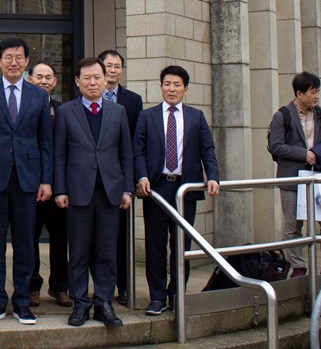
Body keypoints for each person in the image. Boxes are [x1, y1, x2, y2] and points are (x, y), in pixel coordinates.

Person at [0, 37, 52, 325]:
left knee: (25, 244)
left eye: (19, 57)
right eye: (8, 57)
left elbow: (45, 141)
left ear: (27, 62)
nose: (13, 62)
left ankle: (22, 302)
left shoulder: (39, 96)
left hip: (28, 180)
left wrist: (46, 180)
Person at [134, 65, 220, 316]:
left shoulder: (196, 117)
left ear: (186, 89)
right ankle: (157, 297)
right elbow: (137, 149)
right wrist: (140, 177)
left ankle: (176, 295)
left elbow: (208, 150)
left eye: (177, 85)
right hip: (156, 188)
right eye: (167, 84)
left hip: (186, 188)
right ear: (161, 87)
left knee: (182, 245)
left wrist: (213, 177)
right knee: (155, 245)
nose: (171, 89)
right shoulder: (147, 116)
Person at [54, 57, 133, 328]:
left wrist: (127, 189)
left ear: (106, 78)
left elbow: (126, 154)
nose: (92, 82)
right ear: (77, 81)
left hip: (110, 192)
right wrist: (60, 189)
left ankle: (103, 303)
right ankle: (80, 304)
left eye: (97, 77)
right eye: (86, 78)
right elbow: (59, 154)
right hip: (77, 193)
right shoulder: (66, 111)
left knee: (107, 251)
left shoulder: (117, 111)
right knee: (78, 251)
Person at [267, 71, 321, 277]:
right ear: (299, 93)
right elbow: (276, 146)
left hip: (320, 176)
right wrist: (305, 155)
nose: (316, 96)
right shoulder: (282, 115)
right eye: (312, 92)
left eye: (317, 92)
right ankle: (297, 266)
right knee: (293, 226)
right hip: (292, 178)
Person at [97, 49, 144, 306]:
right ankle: (100, 287)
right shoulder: (85, 96)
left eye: (117, 66)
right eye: (108, 66)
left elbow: (134, 144)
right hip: (92, 178)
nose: (113, 70)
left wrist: (131, 180)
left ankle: (124, 287)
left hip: (118, 177)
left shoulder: (132, 100)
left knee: (122, 236)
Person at [27, 61, 70, 308]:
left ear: (55, 82)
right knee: (29, 239)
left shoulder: (64, 110)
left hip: (59, 187)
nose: (44, 81)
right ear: (30, 79)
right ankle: (32, 287)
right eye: (39, 76)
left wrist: (61, 186)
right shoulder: (23, 108)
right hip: (31, 186)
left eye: (49, 77)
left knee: (60, 238)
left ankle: (59, 287)